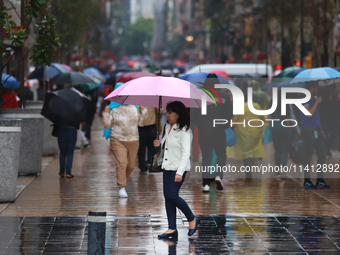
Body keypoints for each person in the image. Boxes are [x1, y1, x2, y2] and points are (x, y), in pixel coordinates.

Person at [154, 101, 199, 239]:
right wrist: (158, 143)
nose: (167, 115)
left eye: (170, 112)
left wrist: (180, 172)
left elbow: (186, 153)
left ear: (178, 114)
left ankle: (192, 218)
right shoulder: (167, 126)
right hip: (167, 167)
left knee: (173, 195)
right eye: (166, 112)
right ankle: (172, 228)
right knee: (168, 197)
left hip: (178, 168)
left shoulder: (185, 130)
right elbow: (167, 146)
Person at [103, 83, 147, 198]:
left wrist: (143, 111)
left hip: (133, 139)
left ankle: (122, 178)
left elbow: (141, 123)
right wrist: (106, 113)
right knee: (122, 163)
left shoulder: (135, 108)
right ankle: (121, 186)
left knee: (131, 165)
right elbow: (107, 125)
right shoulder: (114, 109)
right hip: (117, 139)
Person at [191, 73, 233, 192]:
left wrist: (201, 126)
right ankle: (219, 176)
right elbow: (229, 115)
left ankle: (206, 183)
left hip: (204, 132)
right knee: (221, 154)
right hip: (219, 132)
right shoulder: (224, 96)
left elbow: (194, 116)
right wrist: (224, 126)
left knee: (206, 157)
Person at [299, 81, 330, 189]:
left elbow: (316, 116)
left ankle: (320, 180)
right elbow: (308, 114)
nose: (318, 89)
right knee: (309, 155)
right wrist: (317, 102)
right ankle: (307, 180)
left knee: (322, 154)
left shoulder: (312, 99)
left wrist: (321, 129)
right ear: (311, 88)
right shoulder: (303, 99)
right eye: (316, 88)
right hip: (308, 131)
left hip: (317, 130)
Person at [270, 90, 301, 178]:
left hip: (275, 130)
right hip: (286, 130)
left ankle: (277, 172)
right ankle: (283, 169)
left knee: (277, 151)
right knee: (284, 151)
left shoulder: (272, 104)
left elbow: (269, 117)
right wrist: (298, 129)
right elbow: (292, 117)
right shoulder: (287, 104)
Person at [138, 106, 159, 174]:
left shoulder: (154, 98)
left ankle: (150, 164)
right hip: (140, 125)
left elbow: (160, 111)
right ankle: (143, 166)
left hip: (152, 125)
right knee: (141, 147)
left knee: (151, 146)